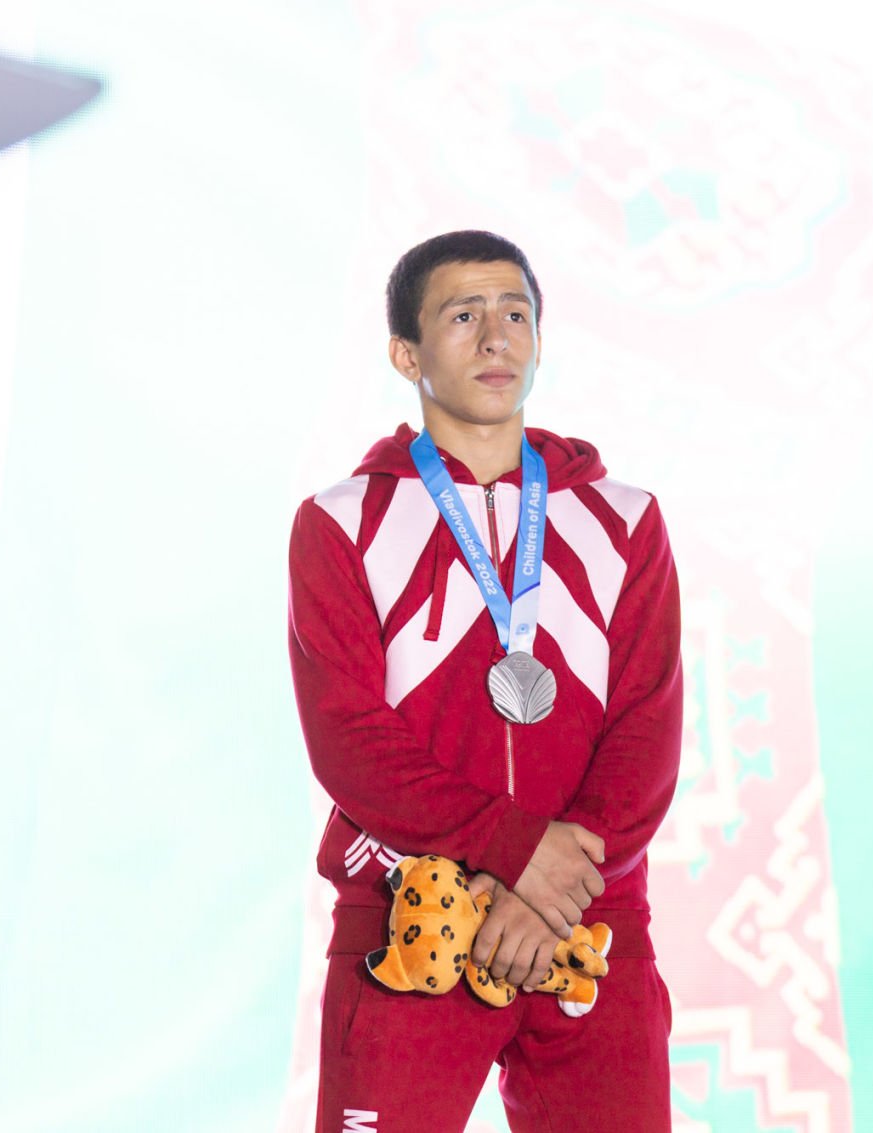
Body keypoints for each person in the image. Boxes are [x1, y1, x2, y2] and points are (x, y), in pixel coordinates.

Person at [287, 230, 684, 1133]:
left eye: (516, 314)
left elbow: (647, 728)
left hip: (588, 926)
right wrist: (516, 852)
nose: (496, 336)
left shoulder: (626, 520)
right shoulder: (340, 523)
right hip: (410, 921)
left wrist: (550, 889)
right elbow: (350, 741)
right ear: (407, 353)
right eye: (463, 316)